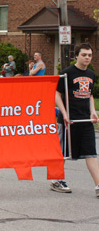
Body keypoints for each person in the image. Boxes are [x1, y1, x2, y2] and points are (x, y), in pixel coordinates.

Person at [53, 43, 99, 197]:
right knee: (63, 153)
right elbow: (57, 94)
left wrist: (92, 111)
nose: (87, 57)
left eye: (89, 55)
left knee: (91, 153)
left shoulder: (91, 74)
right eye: (84, 54)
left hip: (85, 120)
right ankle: (57, 180)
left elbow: (90, 95)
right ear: (76, 56)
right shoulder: (67, 73)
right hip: (68, 120)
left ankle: (98, 186)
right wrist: (64, 113)